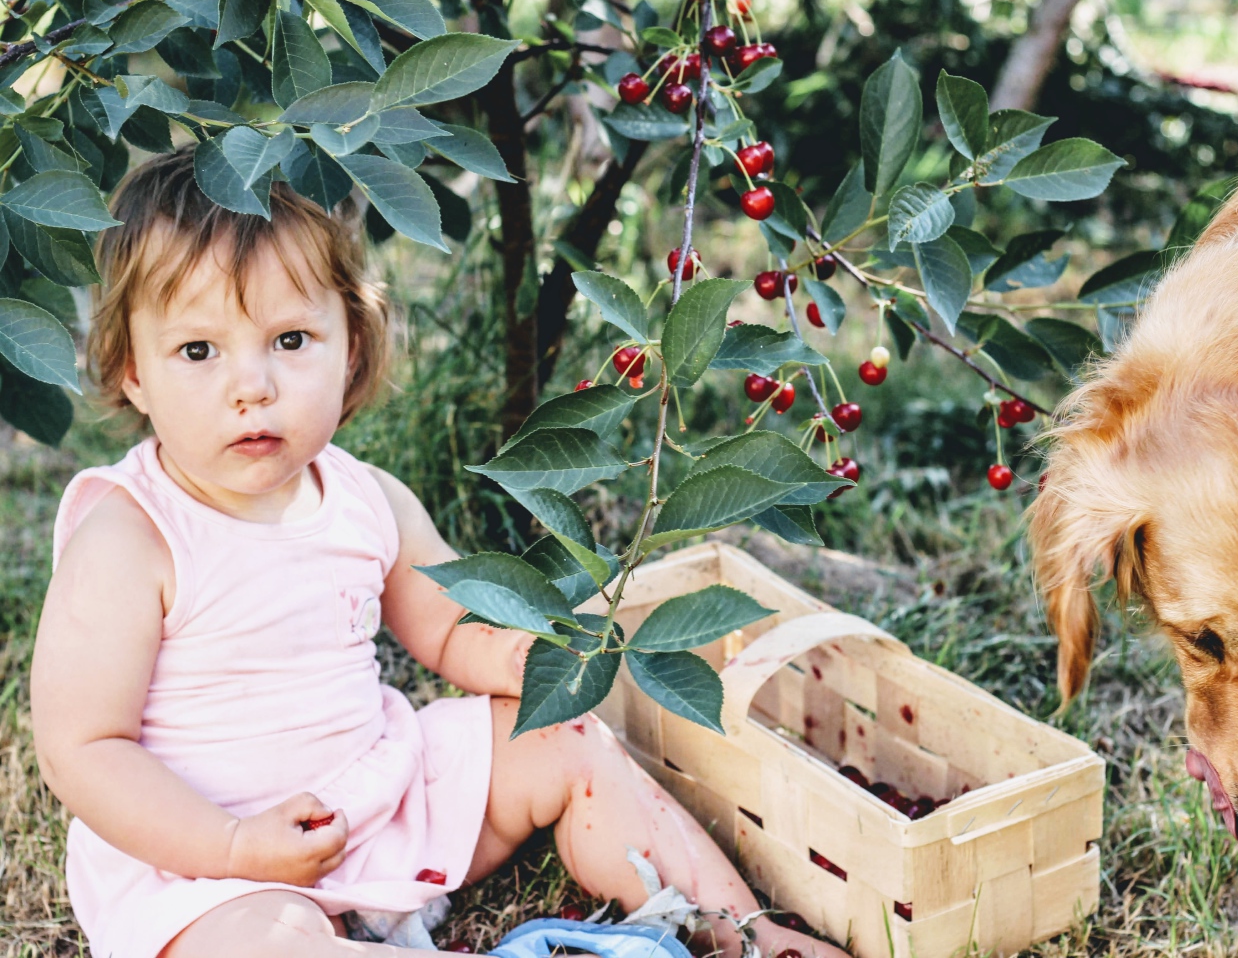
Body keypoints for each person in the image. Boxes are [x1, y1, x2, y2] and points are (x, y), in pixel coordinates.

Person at [29, 146, 851, 958]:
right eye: (198, 351)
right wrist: (234, 846)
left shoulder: (365, 499)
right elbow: (83, 750)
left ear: (351, 346)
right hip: (207, 865)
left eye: (290, 339)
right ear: (133, 373)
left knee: (566, 738)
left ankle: (743, 932)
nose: (253, 386)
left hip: (377, 800)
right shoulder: (131, 537)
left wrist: (524, 651)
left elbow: (451, 626)